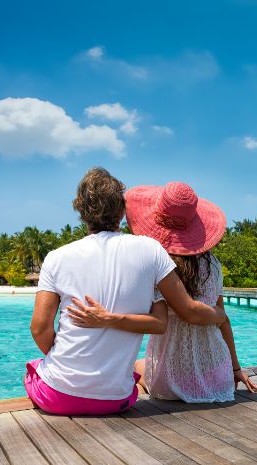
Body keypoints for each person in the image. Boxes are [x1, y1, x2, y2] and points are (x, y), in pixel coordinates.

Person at [26, 168, 226, 416]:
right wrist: (220, 315)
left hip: (57, 397)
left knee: (34, 369)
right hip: (117, 399)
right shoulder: (151, 250)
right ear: (122, 210)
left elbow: (39, 329)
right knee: (133, 372)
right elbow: (175, 314)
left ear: (80, 211)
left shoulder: (56, 258)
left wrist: (69, 364)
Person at [72, 181, 257, 402]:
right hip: (218, 377)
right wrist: (236, 369)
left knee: (135, 365)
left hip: (172, 380)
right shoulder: (214, 266)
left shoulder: (156, 266)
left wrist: (108, 319)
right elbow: (223, 321)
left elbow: (172, 317)